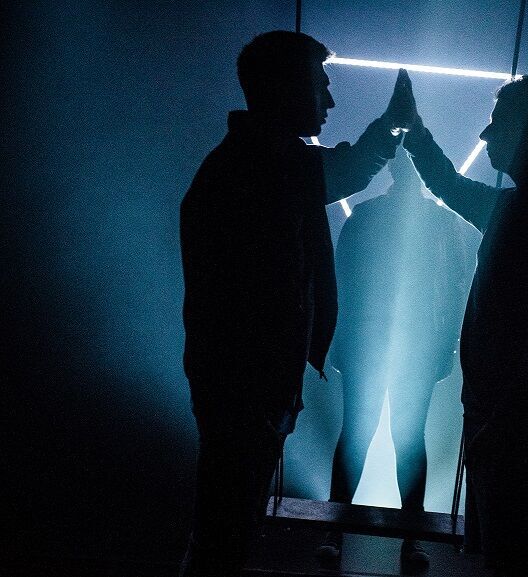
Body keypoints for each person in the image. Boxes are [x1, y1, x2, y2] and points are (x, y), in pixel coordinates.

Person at [178, 30, 413, 577]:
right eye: (319, 84)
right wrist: (390, 126)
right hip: (247, 383)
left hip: (245, 382)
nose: (329, 99)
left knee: (225, 525)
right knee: (225, 528)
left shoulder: (259, 162)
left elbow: (342, 169)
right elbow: (345, 170)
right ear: (286, 88)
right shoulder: (264, 168)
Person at [401, 73, 528, 577]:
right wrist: (416, 133)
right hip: (515, 426)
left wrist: (500, 425)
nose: (485, 134)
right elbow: (448, 185)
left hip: (519, 432)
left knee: (516, 564)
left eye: (497, 121)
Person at [315, 147, 480, 566]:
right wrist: (448, 345)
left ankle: (337, 532)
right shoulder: (443, 223)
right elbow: (456, 286)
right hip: (412, 346)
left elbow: (342, 278)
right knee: (405, 438)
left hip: (370, 343)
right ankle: (410, 539)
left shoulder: (366, 215)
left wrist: (337, 341)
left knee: (360, 434)